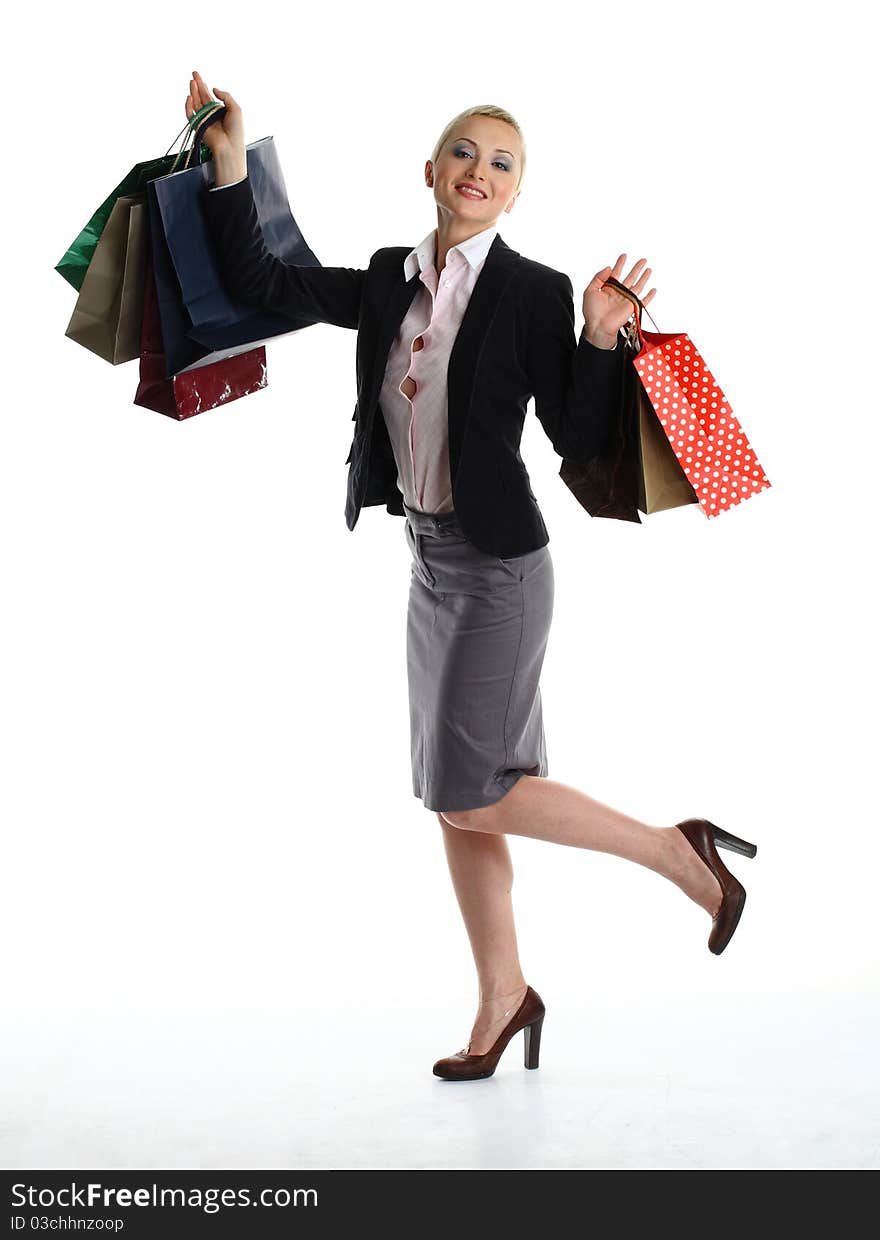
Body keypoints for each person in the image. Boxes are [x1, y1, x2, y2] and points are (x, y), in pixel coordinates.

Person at [184, 71, 758, 1082]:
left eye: (501, 162)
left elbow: (579, 437)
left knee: (474, 788)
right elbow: (268, 284)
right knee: (455, 797)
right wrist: (229, 160)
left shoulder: (532, 292)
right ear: (430, 171)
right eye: (464, 152)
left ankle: (678, 851)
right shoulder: (386, 278)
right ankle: (504, 995)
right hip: (429, 565)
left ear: (516, 190)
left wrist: (597, 333)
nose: (479, 171)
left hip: (502, 566)